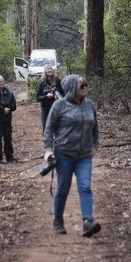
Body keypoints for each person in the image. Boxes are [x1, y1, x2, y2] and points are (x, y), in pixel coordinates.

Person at [43, 73, 100, 237]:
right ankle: (58, 220)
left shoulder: (89, 105)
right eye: (81, 85)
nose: (84, 87)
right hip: (64, 154)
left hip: (84, 156)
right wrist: (48, 149)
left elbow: (95, 127)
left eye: (85, 85)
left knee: (85, 187)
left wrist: (95, 145)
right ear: (70, 88)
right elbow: (49, 129)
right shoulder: (59, 105)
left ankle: (88, 222)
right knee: (63, 188)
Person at [36, 64, 65, 130]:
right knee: (46, 125)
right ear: (45, 71)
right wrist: (46, 96)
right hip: (45, 107)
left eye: (51, 69)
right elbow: (37, 97)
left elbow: (63, 93)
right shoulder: (42, 82)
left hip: (57, 107)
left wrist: (58, 96)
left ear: (53, 70)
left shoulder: (58, 81)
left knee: (57, 125)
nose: (49, 70)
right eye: (47, 69)